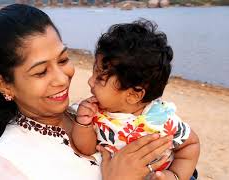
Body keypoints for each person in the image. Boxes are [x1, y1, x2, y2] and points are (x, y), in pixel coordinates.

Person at [0, 4, 174, 180]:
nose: (62, 79)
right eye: (41, 72)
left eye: (63, 60)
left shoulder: (91, 114)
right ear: (4, 85)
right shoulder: (4, 166)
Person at [71, 20, 200, 180]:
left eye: (99, 77)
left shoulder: (162, 120)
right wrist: (83, 124)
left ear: (133, 95)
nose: (90, 81)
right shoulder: (95, 113)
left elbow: (191, 145)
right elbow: (87, 148)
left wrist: (175, 175)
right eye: (94, 73)